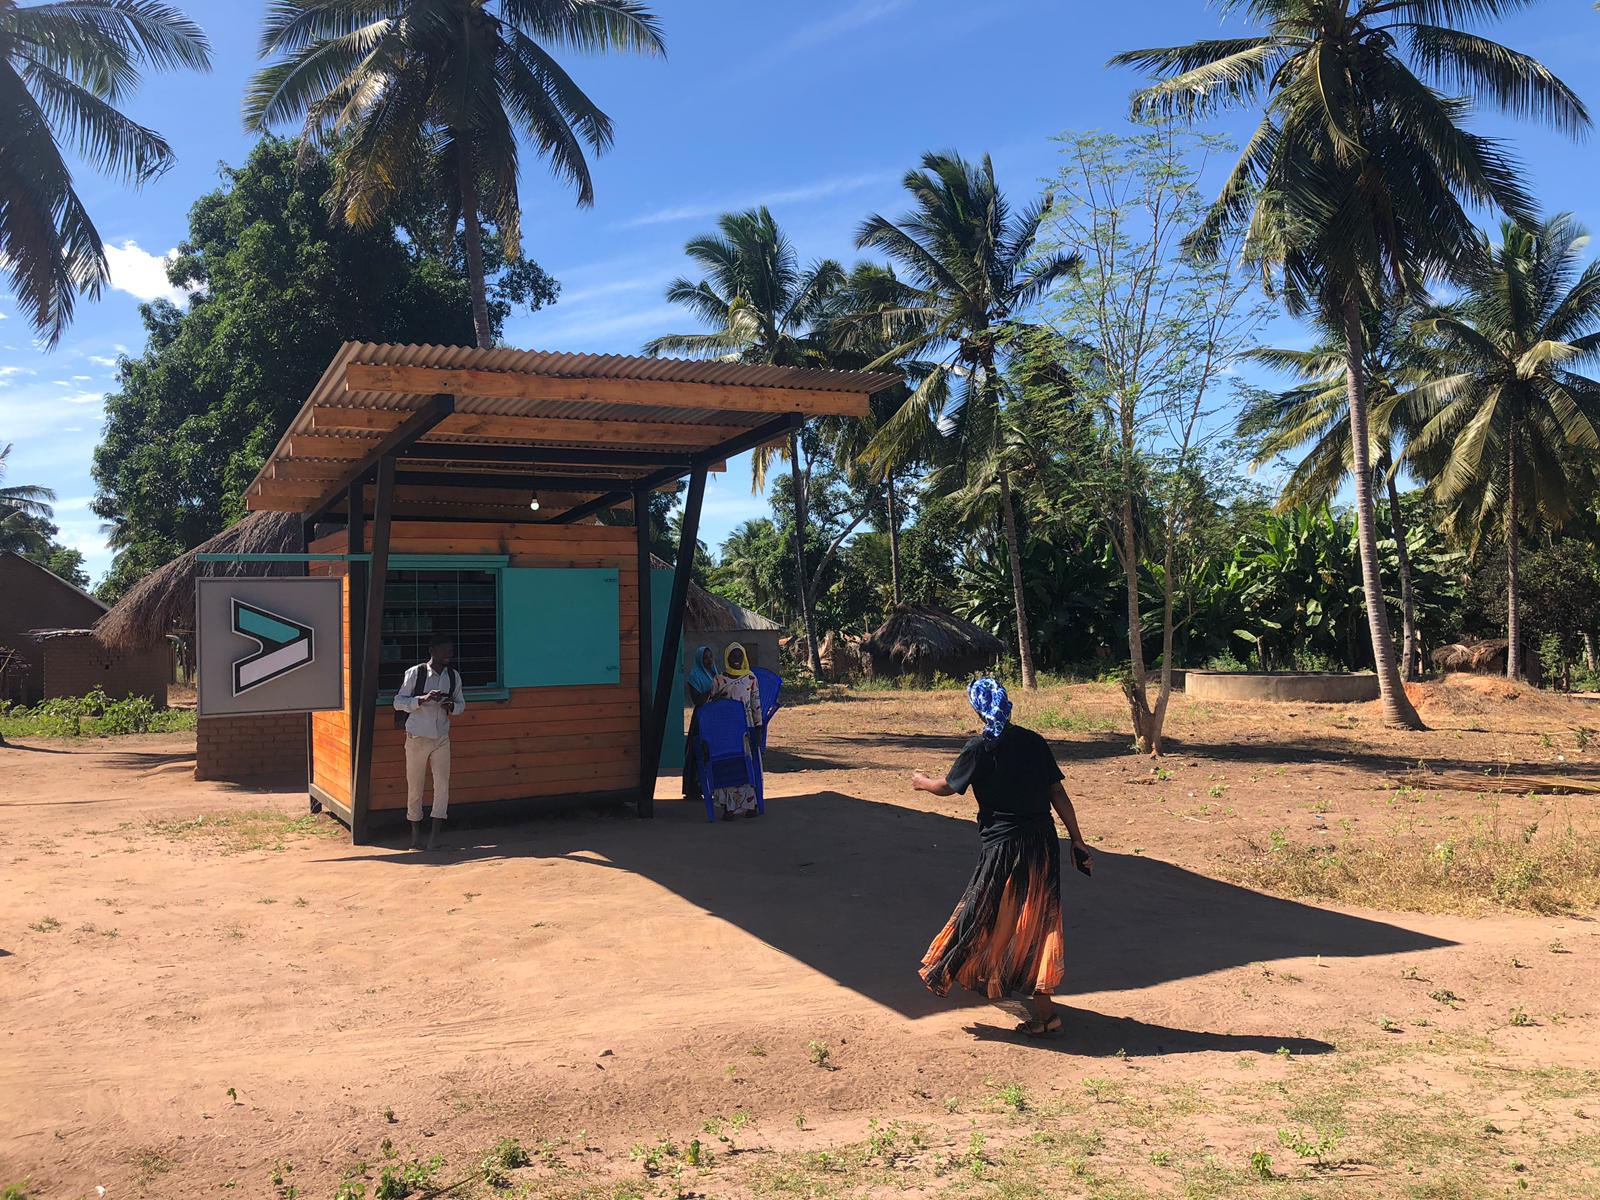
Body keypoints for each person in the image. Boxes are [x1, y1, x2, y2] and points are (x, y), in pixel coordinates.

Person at [911, 677, 1093, 1037]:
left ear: (977, 708)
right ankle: (1034, 1005)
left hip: (1005, 847)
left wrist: (922, 781)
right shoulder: (1033, 741)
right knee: (1037, 919)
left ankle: (952, 971)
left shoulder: (980, 748)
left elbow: (947, 787)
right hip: (1042, 844)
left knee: (984, 911)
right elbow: (1057, 793)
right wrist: (1077, 840)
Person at [393, 635, 466, 850]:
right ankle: (415, 838)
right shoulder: (416, 673)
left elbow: (461, 704)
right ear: (432, 651)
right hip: (417, 737)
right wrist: (422, 699)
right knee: (415, 786)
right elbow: (398, 702)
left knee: (442, 786)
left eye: (451, 650)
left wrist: (450, 706)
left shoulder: (453, 676)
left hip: (441, 737)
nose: (449, 654)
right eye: (444, 650)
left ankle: (434, 839)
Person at [706, 642, 762, 819]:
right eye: (733, 656)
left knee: (747, 764)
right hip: (726, 729)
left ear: (744, 657)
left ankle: (751, 805)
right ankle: (728, 808)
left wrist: (758, 728)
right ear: (727, 658)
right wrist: (715, 700)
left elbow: (756, 704)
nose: (736, 659)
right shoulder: (718, 680)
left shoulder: (751, 678)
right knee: (728, 764)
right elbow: (710, 705)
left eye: (739, 656)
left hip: (746, 728)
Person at [683, 645, 718, 800]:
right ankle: (693, 788)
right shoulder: (694, 677)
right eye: (705, 658)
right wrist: (712, 691)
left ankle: (712, 786)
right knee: (697, 751)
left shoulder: (715, 674)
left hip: (713, 717)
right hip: (701, 718)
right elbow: (697, 700)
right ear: (699, 660)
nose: (709, 660)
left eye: (710, 657)